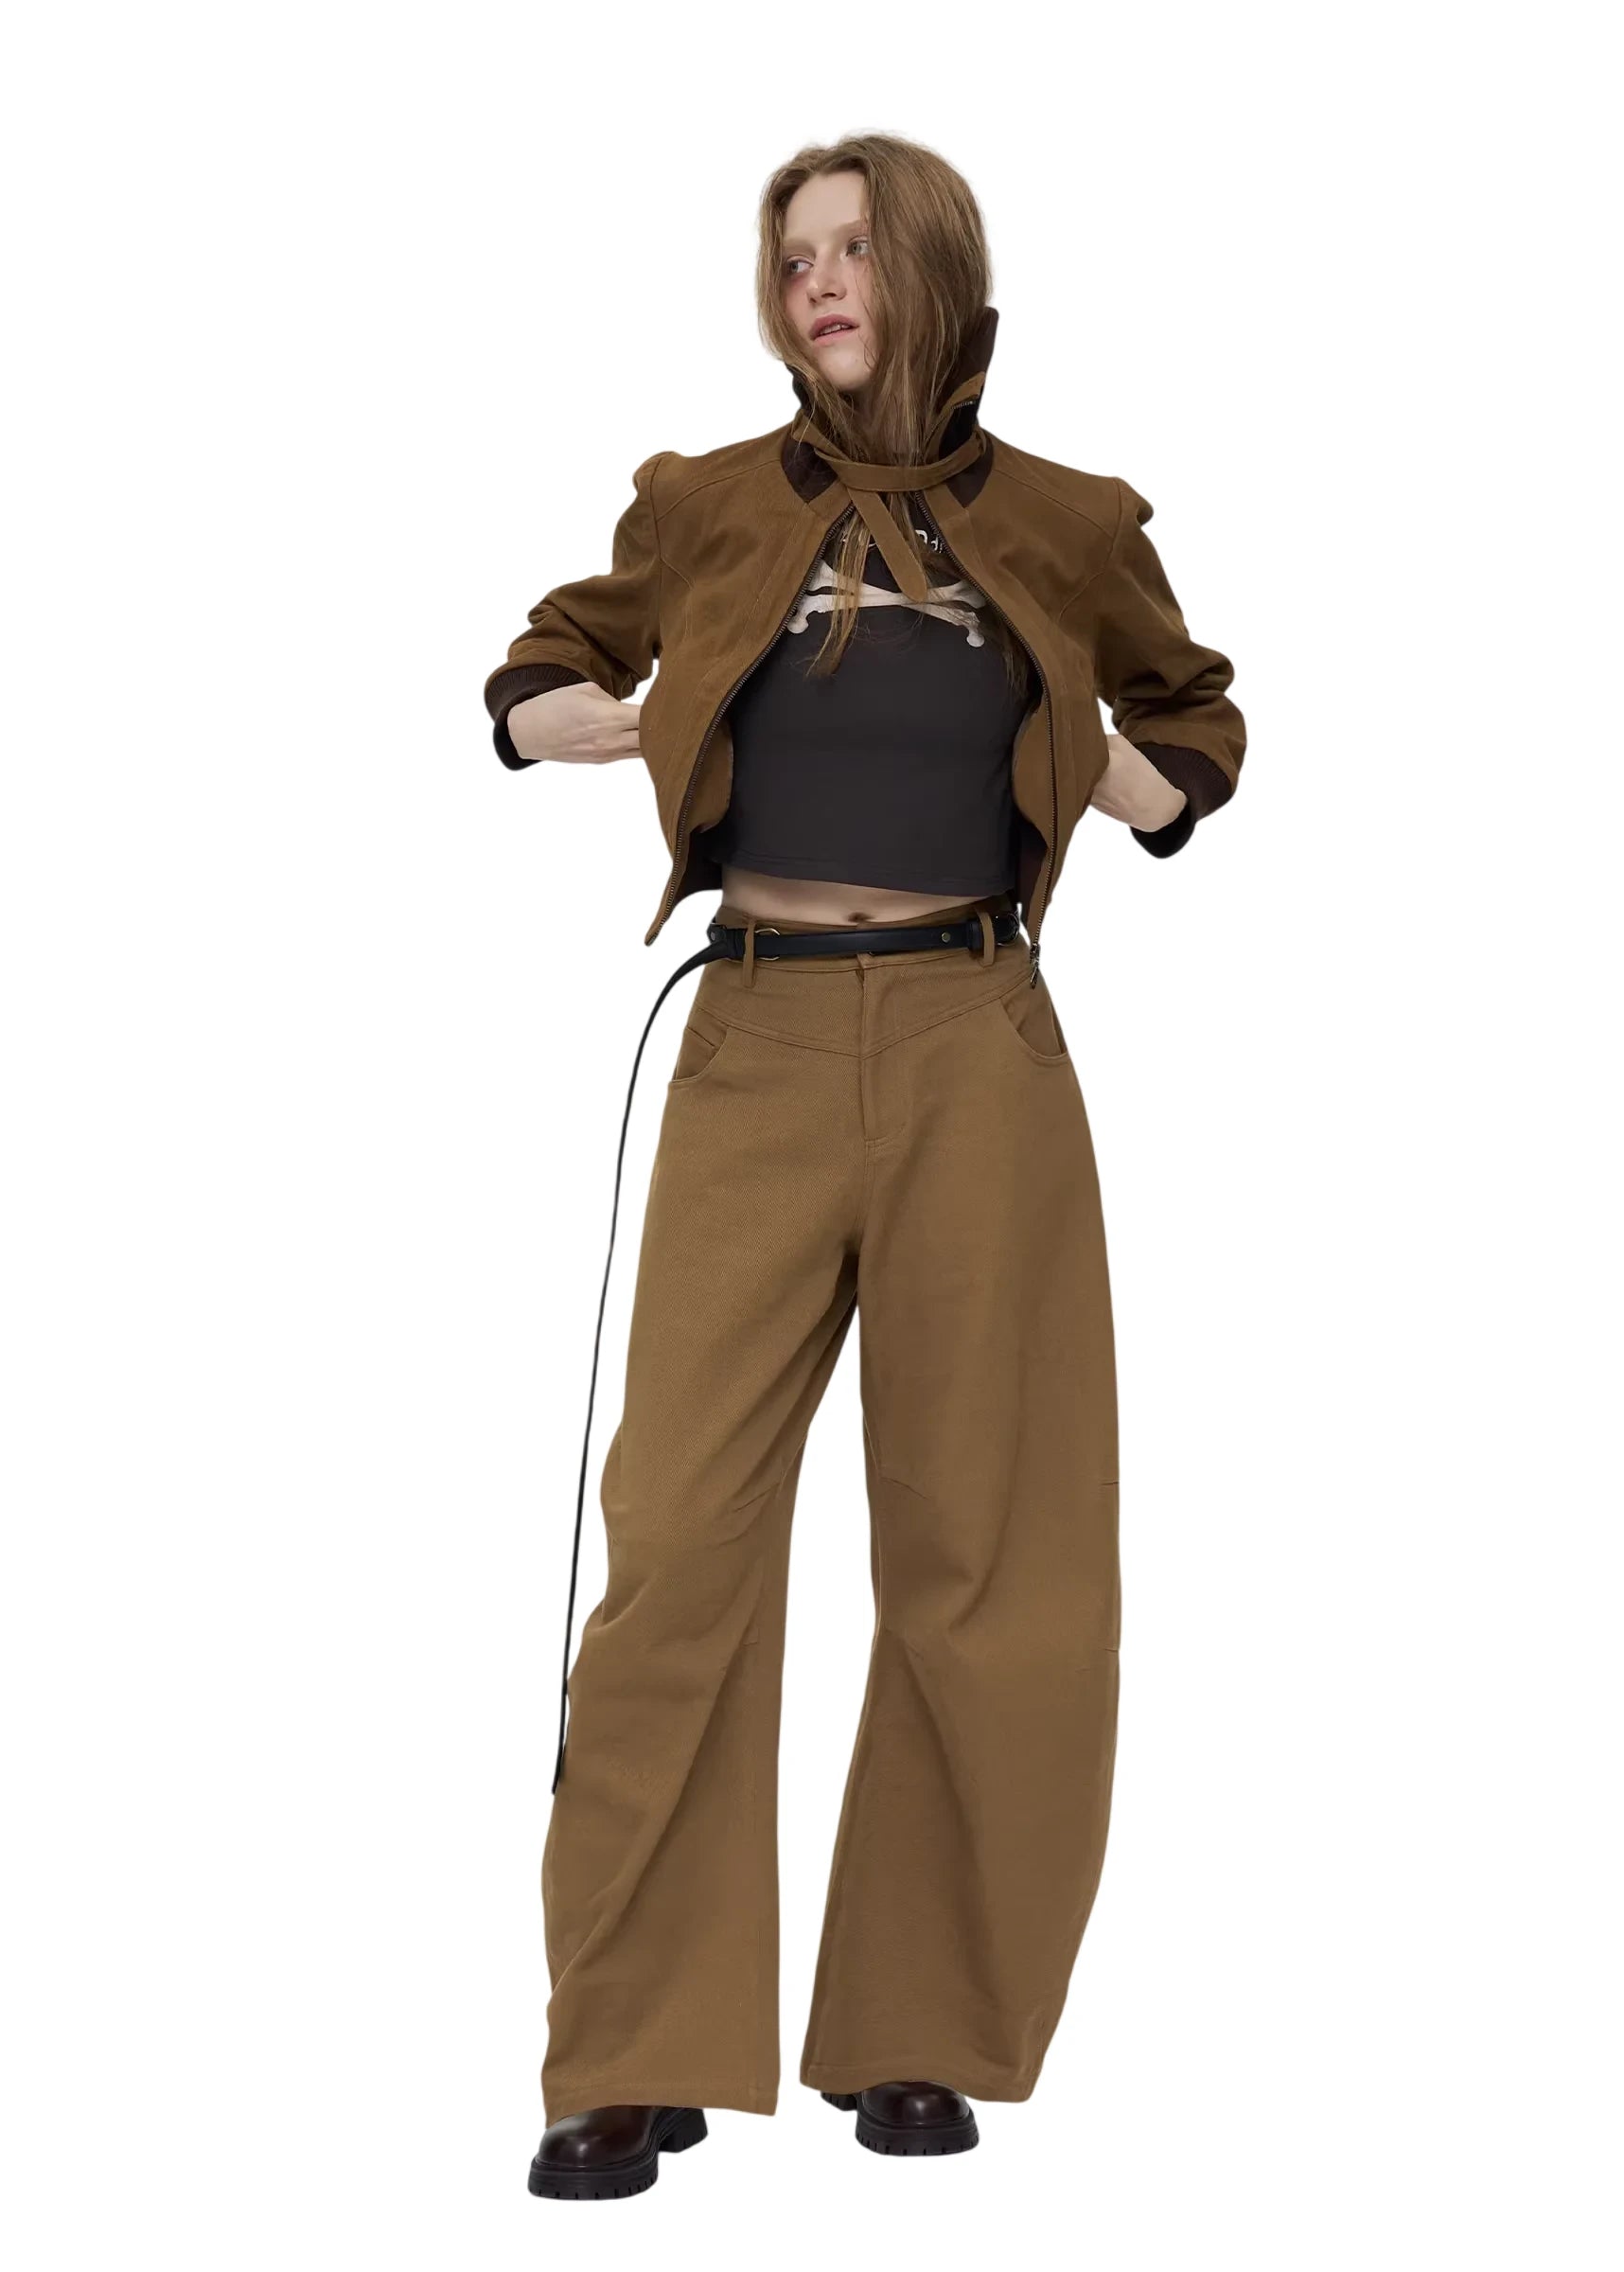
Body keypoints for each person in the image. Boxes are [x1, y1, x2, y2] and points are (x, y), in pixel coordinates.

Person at [481, 132, 1246, 2200]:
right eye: (792, 255)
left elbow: (1199, 728)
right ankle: (628, 2049)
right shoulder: (709, 502)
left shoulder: (1069, 523)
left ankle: (920, 2027)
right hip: (754, 1038)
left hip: (979, 1041)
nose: (818, 281)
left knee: (993, 1554)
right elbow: (547, 654)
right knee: (678, 1546)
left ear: (929, 270)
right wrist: (569, 720)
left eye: (852, 249)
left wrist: (1135, 779)